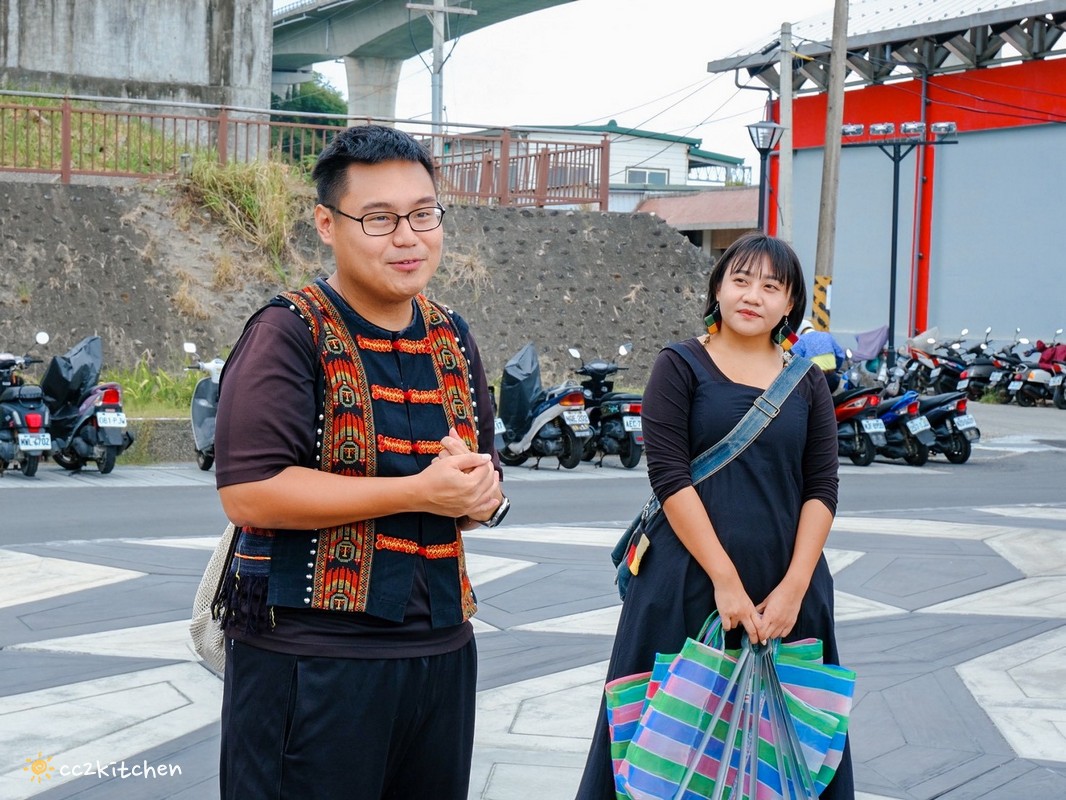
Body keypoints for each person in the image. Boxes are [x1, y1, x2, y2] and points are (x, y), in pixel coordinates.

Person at [213, 124, 508, 800]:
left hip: (441, 651)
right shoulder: (289, 331)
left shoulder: (452, 334)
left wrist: (478, 496)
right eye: (379, 219)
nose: (408, 238)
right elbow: (250, 492)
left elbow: (480, 486)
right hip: (312, 658)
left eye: (424, 214)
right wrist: (417, 493)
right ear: (327, 223)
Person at [575, 232, 853, 799]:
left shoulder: (807, 382)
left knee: (787, 749)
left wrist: (796, 587)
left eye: (771, 286)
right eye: (741, 280)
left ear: (790, 303)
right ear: (718, 289)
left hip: (785, 597)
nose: (753, 296)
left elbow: (822, 488)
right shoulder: (679, 366)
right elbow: (669, 477)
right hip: (687, 585)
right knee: (663, 745)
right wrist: (724, 580)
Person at [793, 318, 848, 392]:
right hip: (832, 378)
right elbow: (840, 355)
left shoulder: (800, 340)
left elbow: (794, 361)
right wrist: (836, 370)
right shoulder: (827, 336)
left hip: (814, 380)